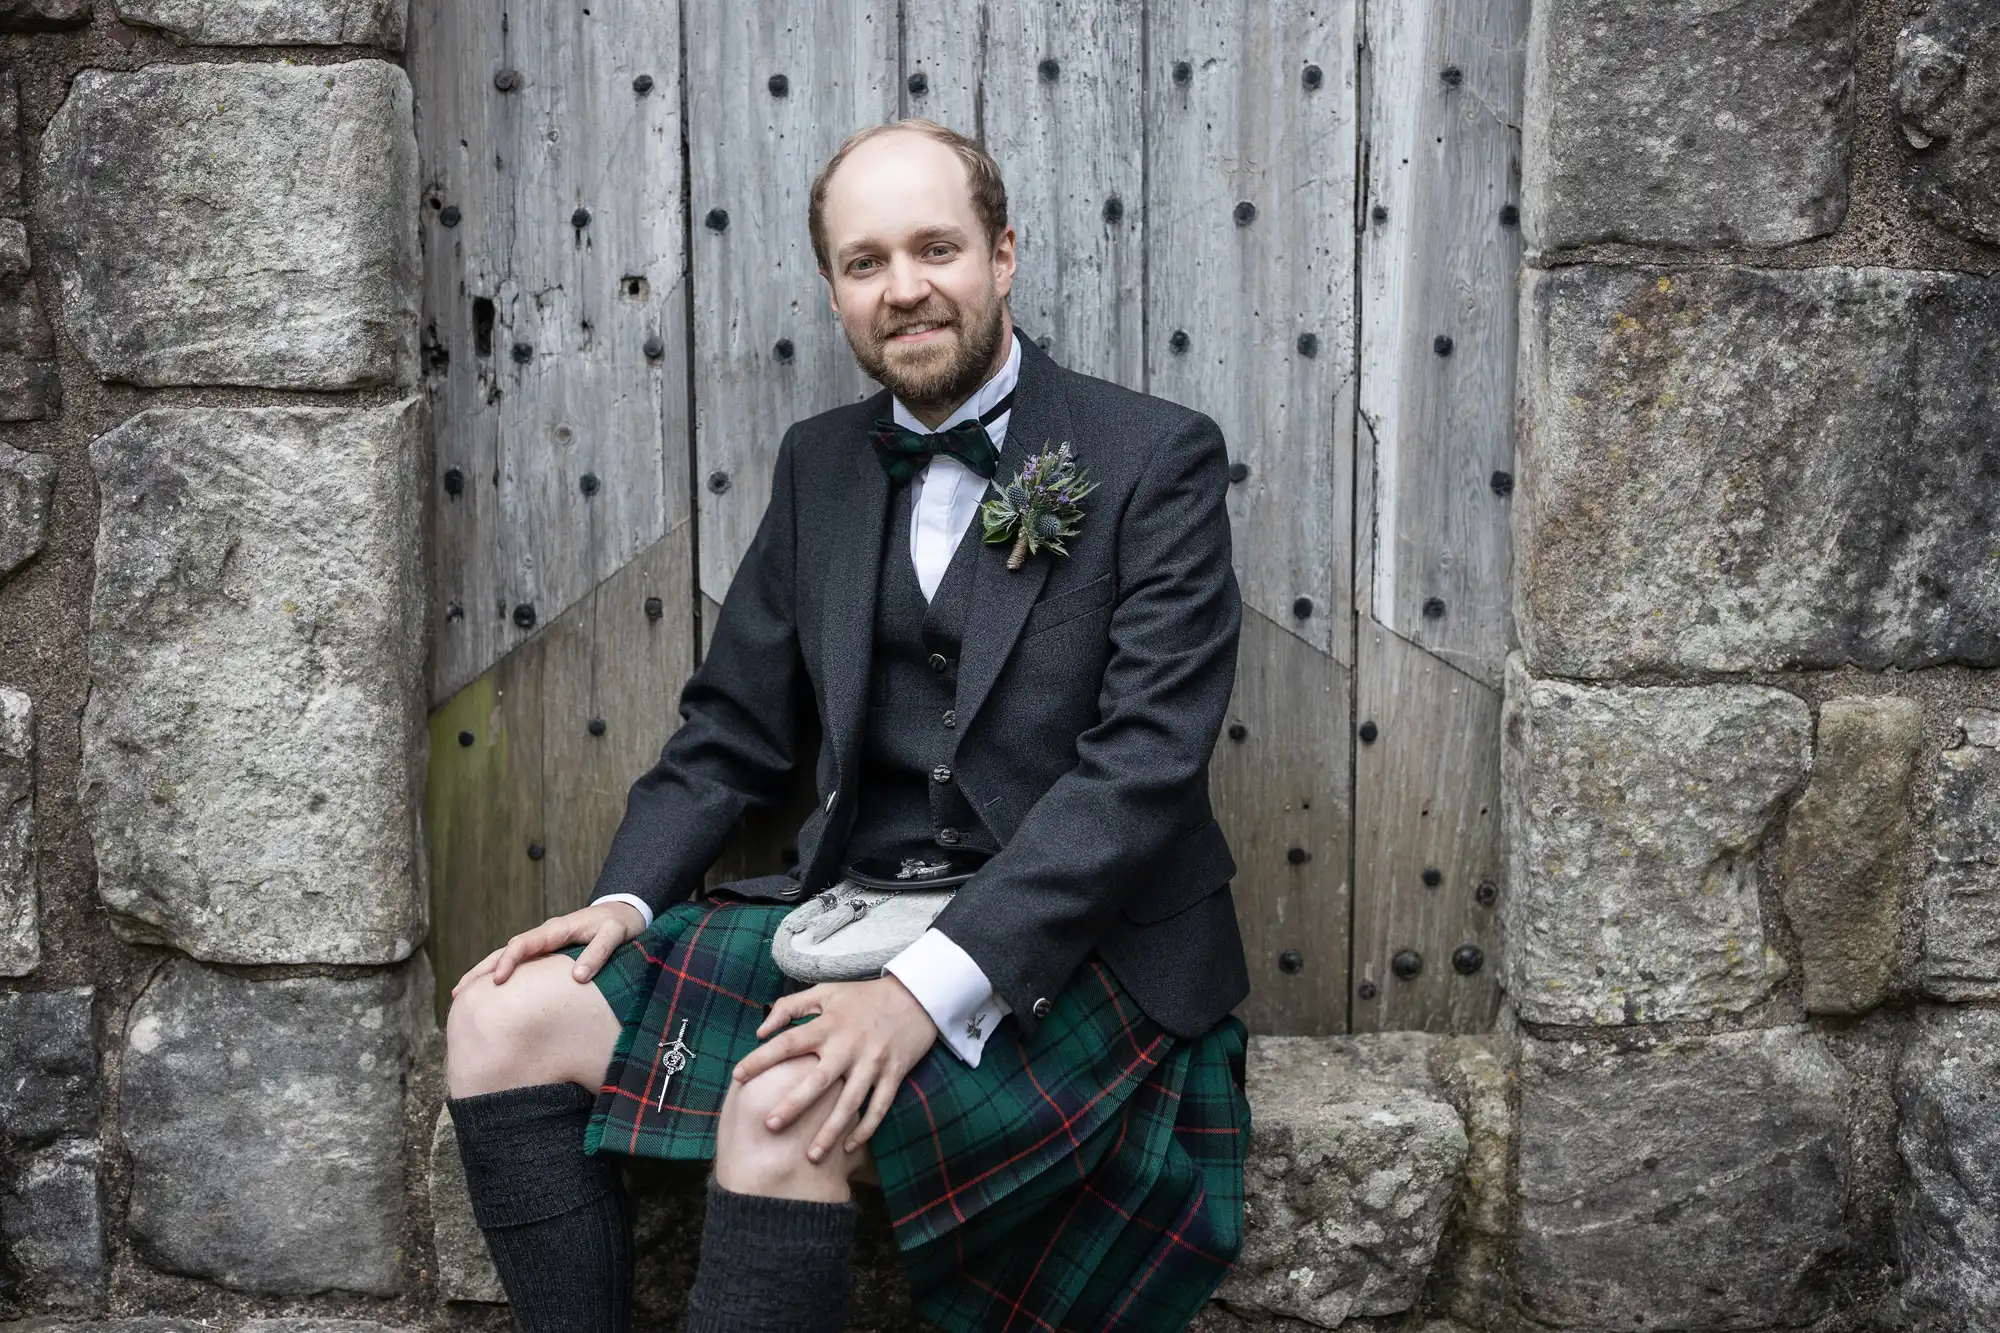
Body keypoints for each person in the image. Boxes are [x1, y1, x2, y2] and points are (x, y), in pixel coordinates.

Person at [442, 115, 1253, 1333]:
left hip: (1074, 947)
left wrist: (919, 992)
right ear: (833, 290)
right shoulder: (819, 463)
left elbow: (1139, 772)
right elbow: (729, 731)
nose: (905, 288)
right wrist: (621, 903)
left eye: (936, 248)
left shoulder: (1151, 457)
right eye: (865, 262)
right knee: (495, 1014)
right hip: (853, 907)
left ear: (1003, 255)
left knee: (780, 1108)